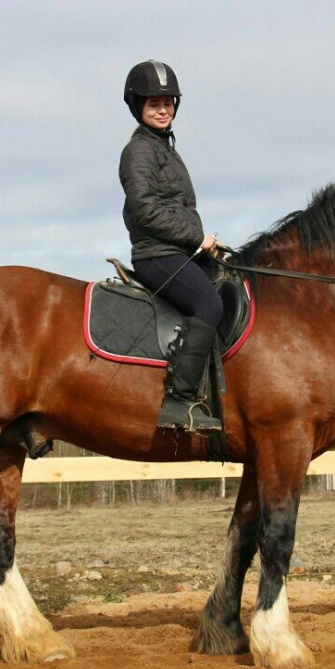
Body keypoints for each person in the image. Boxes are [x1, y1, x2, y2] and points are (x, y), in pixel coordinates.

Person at [119, 59, 223, 435]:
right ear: (138, 106)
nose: (163, 110)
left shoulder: (165, 149)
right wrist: (197, 238)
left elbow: (177, 207)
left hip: (179, 251)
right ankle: (179, 402)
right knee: (209, 305)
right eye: (154, 104)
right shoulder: (138, 152)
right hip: (156, 255)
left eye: (168, 103)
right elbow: (146, 211)